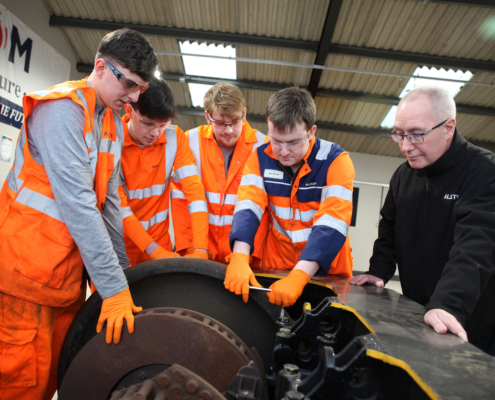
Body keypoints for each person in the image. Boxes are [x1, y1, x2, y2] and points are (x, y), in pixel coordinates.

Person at [0, 28, 157, 399]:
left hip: (65, 280)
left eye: (141, 89)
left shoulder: (111, 122)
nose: (134, 98)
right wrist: (114, 290)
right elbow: (79, 203)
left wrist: (124, 280)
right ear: (101, 68)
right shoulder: (61, 110)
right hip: (24, 278)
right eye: (129, 84)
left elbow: (110, 204)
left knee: (53, 382)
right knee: (19, 385)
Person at [350, 86, 495, 356]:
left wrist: (448, 304)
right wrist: (378, 271)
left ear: (448, 127)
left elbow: (475, 248)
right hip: (418, 317)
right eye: (399, 134)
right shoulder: (403, 176)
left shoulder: (485, 174)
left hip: (470, 327)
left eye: (416, 134)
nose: (406, 146)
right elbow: (389, 229)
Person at [226, 87, 354, 306]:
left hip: (327, 273)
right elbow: (248, 206)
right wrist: (239, 256)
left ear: (311, 131)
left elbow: (332, 223)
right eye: (276, 140)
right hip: (278, 267)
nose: (283, 151)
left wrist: (300, 276)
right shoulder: (259, 159)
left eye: (293, 142)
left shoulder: (336, 161)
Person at [171, 83, 268, 265]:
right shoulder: (190, 142)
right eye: (221, 124)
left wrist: (249, 256)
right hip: (199, 252)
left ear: (244, 114)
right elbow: (180, 200)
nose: (229, 130)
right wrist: (190, 250)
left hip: (244, 256)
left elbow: (264, 207)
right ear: (207, 117)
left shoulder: (263, 147)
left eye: (235, 122)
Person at [119, 78, 208, 265]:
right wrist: (156, 252)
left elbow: (195, 194)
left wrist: (201, 249)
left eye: (162, 124)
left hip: (160, 246)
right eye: (147, 123)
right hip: (117, 249)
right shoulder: (111, 141)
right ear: (129, 110)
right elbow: (119, 208)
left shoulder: (175, 138)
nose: (155, 133)